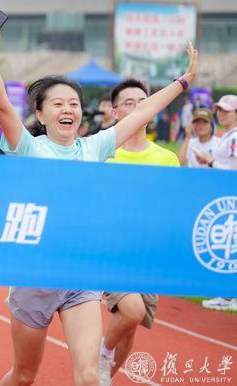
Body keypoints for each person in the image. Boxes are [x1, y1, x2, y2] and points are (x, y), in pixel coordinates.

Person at [0, 17, 197, 386]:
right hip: (34, 274)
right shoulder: (28, 147)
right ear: (40, 114)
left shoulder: (95, 146)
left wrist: (183, 81)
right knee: (25, 375)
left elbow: (143, 112)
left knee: (90, 375)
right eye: (58, 103)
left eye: (74, 104)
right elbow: (2, 106)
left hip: (80, 273)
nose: (68, 109)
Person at [98, 79, 180, 384]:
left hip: (146, 255)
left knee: (131, 327)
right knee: (131, 311)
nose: (138, 107)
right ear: (115, 111)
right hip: (111, 251)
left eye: (143, 101)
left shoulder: (166, 158)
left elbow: (173, 208)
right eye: (129, 103)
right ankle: (101, 357)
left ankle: (101, 378)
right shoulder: (104, 154)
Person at [192, 94, 237, 312]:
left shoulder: (234, 137)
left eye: (226, 110)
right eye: (219, 109)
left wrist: (210, 162)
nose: (221, 113)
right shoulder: (228, 136)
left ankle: (229, 295)